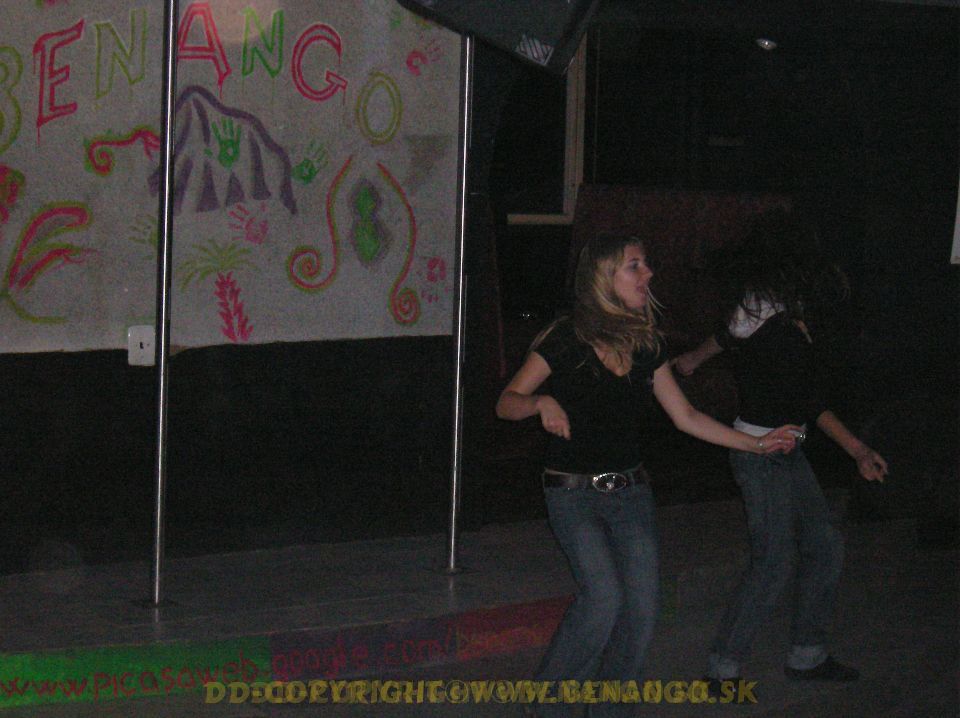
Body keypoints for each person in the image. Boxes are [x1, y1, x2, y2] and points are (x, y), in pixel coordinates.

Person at [496, 232, 799, 717]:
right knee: (603, 600)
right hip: (572, 495)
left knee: (641, 611)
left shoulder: (646, 344)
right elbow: (506, 403)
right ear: (604, 276)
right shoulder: (565, 338)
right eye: (635, 265)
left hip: (630, 494)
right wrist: (540, 402)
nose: (648, 273)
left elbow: (687, 416)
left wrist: (758, 444)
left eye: (645, 264)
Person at [671, 210, 888, 688]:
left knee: (825, 545)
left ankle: (807, 656)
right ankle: (721, 671)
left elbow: (808, 400)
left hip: (788, 450)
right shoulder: (761, 309)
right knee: (773, 562)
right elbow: (730, 335)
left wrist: (857, 451)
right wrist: (691, 359)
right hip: (758, 452)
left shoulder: (791, 314)